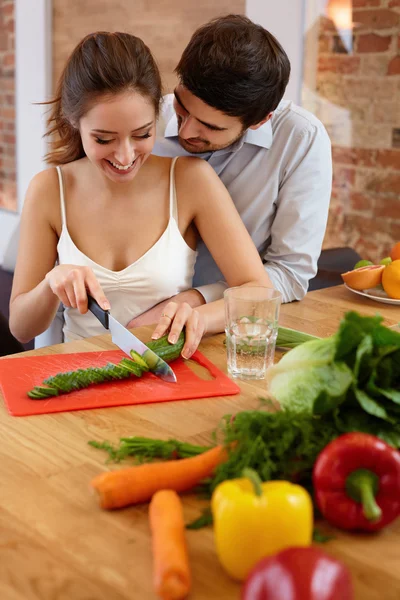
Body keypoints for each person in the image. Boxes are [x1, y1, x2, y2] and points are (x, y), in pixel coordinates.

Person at [9, 32, 271, 360]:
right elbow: (21, 328)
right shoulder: (49, 189)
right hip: (76, 377)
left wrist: (200, 315)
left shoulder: (190, 180)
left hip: (166, 373)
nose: (125, 156)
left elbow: (259, 292)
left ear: (158, 117)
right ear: (74, 122)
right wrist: (51, 284)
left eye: (142, 134)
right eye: (104, 139)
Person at [128, 14, 332, 330]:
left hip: (231, 328)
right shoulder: (146, 120)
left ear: (260, 120)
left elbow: (291, 274)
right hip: (129, 317)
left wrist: (198, 300)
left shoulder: (300, 139)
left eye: (210, 126)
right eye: (183, 107)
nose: (187, 131)